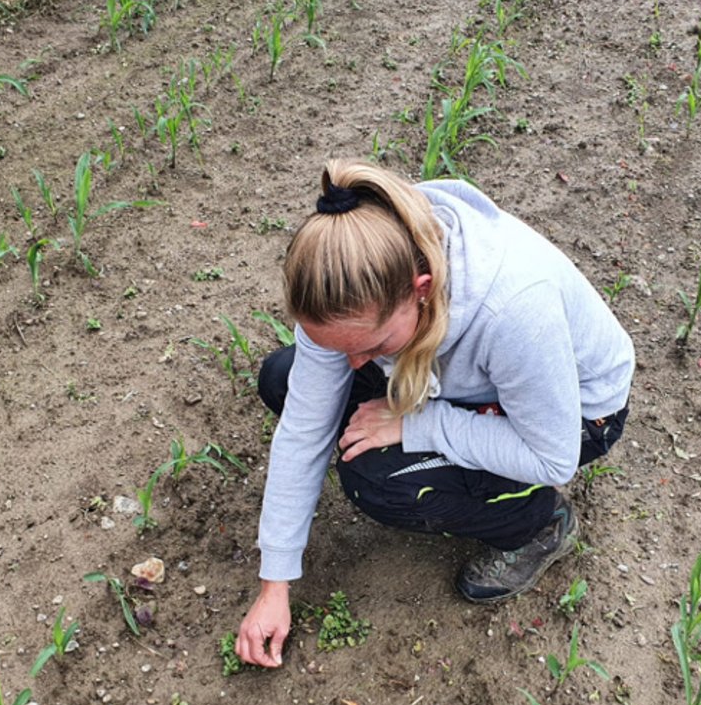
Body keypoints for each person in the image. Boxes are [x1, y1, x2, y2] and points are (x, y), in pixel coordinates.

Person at [235, 159, 634, 668]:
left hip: (575, 416)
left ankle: (536, 524)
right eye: (339, 348)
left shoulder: (513, 310)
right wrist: (275, 583)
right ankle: (419, 404)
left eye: (372, 347)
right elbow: (305, 426)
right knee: (283, 378)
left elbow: (553, 458)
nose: (356, 365)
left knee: (377, 479)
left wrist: (420, 424)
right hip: (463, 372)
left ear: (421, 289)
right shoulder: (350, 275)